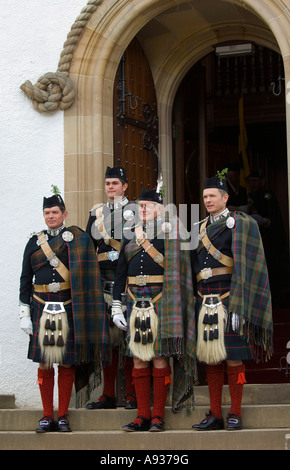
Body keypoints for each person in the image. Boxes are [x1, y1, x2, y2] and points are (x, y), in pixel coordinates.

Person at [19, 190, 109, 432]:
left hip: (69, 308)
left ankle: (63, 415)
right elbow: (25, 280)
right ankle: (47, 415)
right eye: (47, 213)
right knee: (45, 363)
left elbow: (89, 276)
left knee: (67, 364)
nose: (50, 216)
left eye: (55, 212)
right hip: (41, 306)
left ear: (64, 214)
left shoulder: (78, 239)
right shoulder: (33, 242)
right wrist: (24, 312)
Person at [191, 171, 273, 431]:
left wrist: (240, 304)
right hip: (205, 300)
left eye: (213, 196)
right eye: (205, 197)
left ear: (225, 198)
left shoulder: (241, 223)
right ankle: (215, 414)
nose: (208, 200)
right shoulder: (198, 228)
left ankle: (235, 412)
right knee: (211, 359)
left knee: (233, 358)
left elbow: (247, 268)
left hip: (229, 297)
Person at [111, 188, 196, 432]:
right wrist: (117, 305)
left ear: (160, 209)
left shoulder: (172, 233)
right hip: (135, 301)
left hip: (162, 300)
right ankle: (141, 415)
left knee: (159, 357)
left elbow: (183, 269)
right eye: (141, 206)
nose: (144, 210)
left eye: (149, 206)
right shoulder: (131, 234)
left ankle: (158, 416)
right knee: (138, 358)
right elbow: (121, 272)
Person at [85, 166, 136, 410]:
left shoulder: (137, 211)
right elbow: (87, 251)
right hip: (103, 284)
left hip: (128, 285)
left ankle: (131, 394)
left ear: (125, 186)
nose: (110, 187)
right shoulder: (97, 213)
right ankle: (108, 394)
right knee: (108, 343)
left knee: (129, 343)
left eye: (115, 183)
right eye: (107, 184)